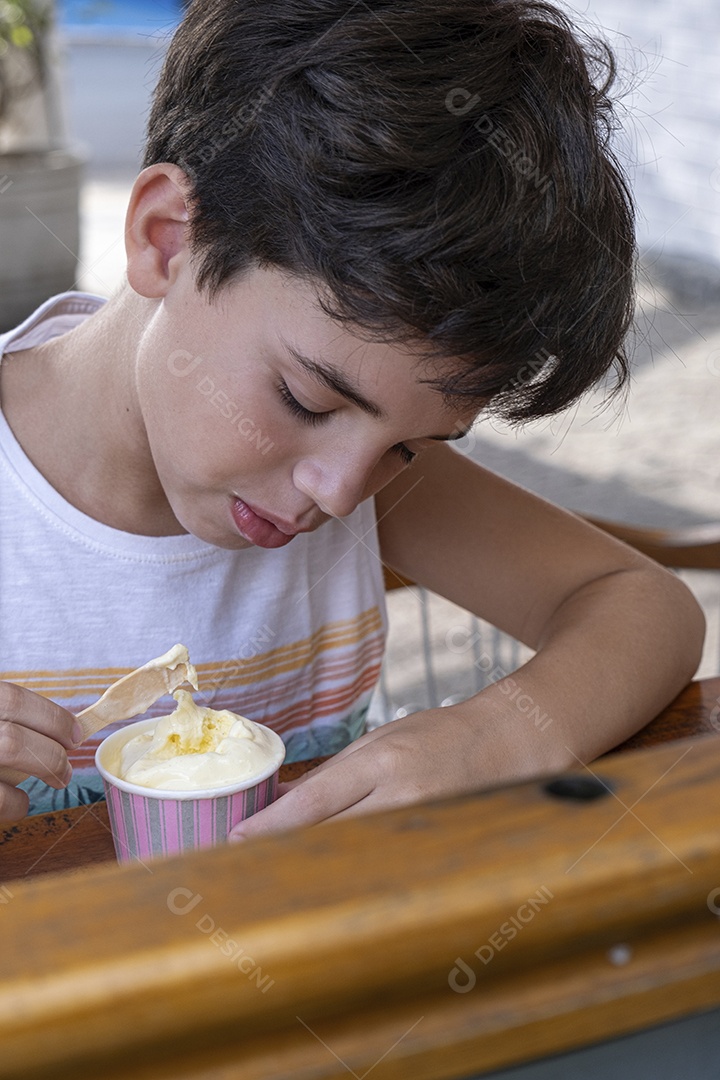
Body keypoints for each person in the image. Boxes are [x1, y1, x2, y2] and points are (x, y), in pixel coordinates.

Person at [0, 0, 704, 831]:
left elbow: (643, 602)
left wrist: (496, 735)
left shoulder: (360, 479)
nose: (340, 496)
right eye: (308, 399)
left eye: (408, 447)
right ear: (166, 239)